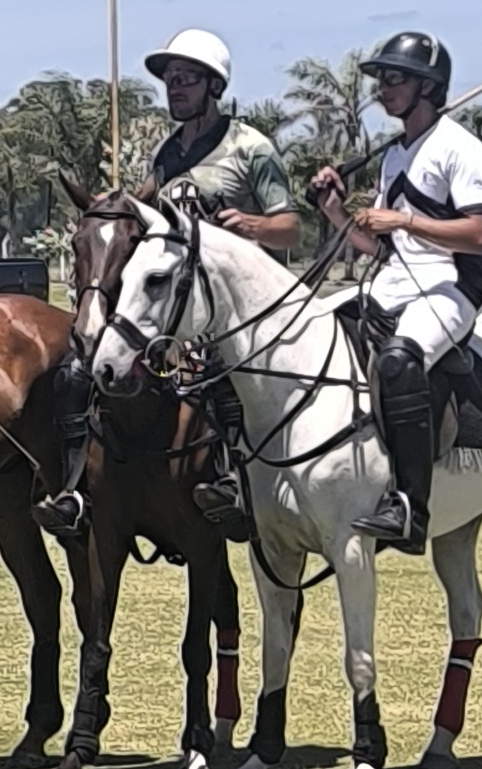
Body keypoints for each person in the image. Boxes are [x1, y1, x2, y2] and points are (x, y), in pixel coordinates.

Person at [37, 30, 299, 540]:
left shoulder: (250, 147)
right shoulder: (166, 156)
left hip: (238, 311)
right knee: (91, 368)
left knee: (222, 377)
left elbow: (290, 226)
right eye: (170, 80)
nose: (174, 88)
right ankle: (76, 489)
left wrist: (251, 225)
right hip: (178, 306)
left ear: (213, 85)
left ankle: (234, 485)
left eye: (186, 80)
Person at [312, 34, 482, 554]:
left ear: (428, 86)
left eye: (394, 79)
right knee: (312, 333)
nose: (383, 89)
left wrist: (404, 219)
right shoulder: (394, 155)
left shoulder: (461, 147)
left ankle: (410, 507)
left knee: (398, 359)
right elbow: (375, 246)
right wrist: (333, 210)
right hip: (394, 280)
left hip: (452, 286)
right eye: (381, 80)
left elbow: (478, 234)